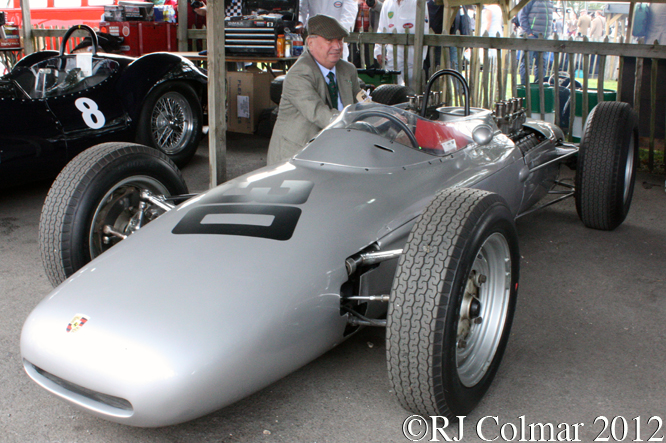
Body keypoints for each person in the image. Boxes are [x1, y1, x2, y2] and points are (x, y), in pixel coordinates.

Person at [267, 14, 362, 165]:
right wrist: (360, 123)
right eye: (329, 40)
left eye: (340, 40)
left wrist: (380, 116)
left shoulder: (348, 69)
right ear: (310, 43)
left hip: (332, 151)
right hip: (293, 158)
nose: (337, 46)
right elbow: (319, 114)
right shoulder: (298, 74)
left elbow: (362, 102)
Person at [373, 0, 429, 85]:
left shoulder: (418, 2)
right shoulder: (387, 3)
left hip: (412, 58)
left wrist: (421, 57)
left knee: (412, 92)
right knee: (392, 91)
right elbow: (381, 29)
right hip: (392, 58)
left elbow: (424, 31)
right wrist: (378, 51)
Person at [517, 0, 553, 84]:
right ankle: (524, 86)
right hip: (532, 36)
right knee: (526, 62)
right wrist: (529, 33)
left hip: (543, 38)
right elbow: (522, 15)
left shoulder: (549, 2)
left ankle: (538, 86)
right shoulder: (530, 1)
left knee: (542, 64)